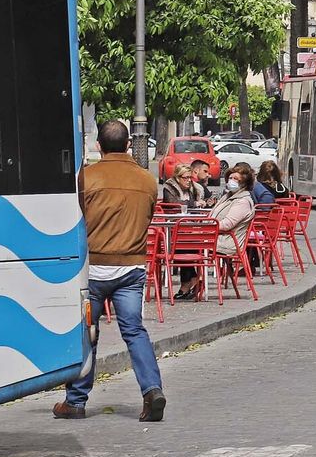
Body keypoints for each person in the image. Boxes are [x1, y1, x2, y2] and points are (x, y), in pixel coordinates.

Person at [53, 121, 165, 423]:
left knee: (87, 332)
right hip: (131, 267)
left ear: (98, 146)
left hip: (93, 268)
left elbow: (74, 219)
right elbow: (147, 218)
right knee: (134, 331)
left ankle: (76, 400)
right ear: (128, 145)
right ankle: (152, 390)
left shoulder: (86, 178)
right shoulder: (147, 180)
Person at [176, 163, 258, 301]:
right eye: (230, 177)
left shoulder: (243, 201)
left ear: (244, 183)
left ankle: (190, 282)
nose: (231, 181)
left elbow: (227, 224)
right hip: (214, 236)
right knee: (181, 242)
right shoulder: (227, 196)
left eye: (236, 179)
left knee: (185, 244)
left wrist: (205, 228)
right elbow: (213, 216)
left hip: (227, 241)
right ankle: (191, 280)